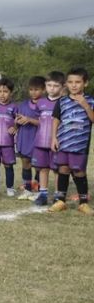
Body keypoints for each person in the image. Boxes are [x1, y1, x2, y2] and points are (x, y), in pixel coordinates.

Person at [48, 67, 94, 215]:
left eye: (78, 82)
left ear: (85, 83)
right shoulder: (62, 101)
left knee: (79, 171)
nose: (74, 85)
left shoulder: (91, 101)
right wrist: (53, 137)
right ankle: (60, 201)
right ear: (66, 84)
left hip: (80, 145)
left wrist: (85, 105)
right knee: (63, 169)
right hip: (63, 142)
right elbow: (56, 120)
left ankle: (83, 203)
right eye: (70, 82)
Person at [32, 71, 65, 206]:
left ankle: (58, 195)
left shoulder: (64, 103)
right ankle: (43, 194)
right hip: (41, 142)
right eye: (49, 85)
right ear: (45, 86)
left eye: (56, 85)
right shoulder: (40, 102)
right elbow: (37, 120)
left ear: (62, 87)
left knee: (57, 170)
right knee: (43, 169)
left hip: (56, 143)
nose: (52, 88)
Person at [14, 76, 44, 200]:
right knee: (25, 163)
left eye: (36, 89)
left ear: (43, 90)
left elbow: (46, 122)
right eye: (31, 89)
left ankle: (37, 189)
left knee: (38, 166)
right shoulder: (23, 104)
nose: (33, 92)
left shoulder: (46, 104)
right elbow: (17, 120)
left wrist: (30, 120)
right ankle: (27, 189)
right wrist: (16, 122)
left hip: (38, 139)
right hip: (24, 137)